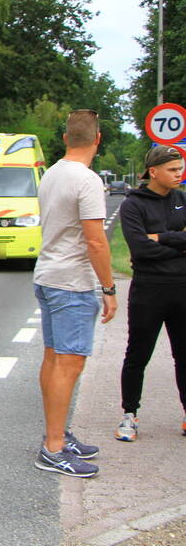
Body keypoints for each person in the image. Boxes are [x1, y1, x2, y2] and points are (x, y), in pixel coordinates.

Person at [33, 109, 116, 477]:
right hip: (72, 282)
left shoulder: (51, 173)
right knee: (70, 363)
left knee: (53, 359)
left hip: (48, 275)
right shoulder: (88, 180)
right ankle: (53, 448)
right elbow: (96, 241)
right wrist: (109, 288)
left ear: (66, 138)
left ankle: (57, 435)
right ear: (97, 139)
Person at [115, 144, 186, 442]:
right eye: (173, 170)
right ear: (153, 172)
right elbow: (140, 248)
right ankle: (129, 415)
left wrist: (161, 238)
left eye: (180, 168)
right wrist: (178, 243)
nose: (179, 174)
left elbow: (153, 244)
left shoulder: (183, 199)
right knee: (137, 354)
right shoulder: (133, 205)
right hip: (148, 290)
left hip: (182, 288)